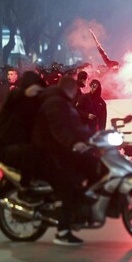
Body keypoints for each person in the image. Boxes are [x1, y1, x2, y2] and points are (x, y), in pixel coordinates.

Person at [31, 76, 97, 246]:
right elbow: (59, 129)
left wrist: (93, 138)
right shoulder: (55, 103)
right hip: (49, 152)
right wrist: (74, 143)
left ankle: (81, 212)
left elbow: (75, 126)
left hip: (60, 150)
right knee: (67, 185)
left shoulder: (63, 102)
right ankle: (63, 232)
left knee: (88, 167)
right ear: (71, 89)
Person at [0, 71, 46, 187]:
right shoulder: (18, 96)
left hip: (15, 143)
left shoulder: (30, 100)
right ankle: (27, 188)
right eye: (36, 89)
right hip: (8, 146)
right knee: (34, 155)